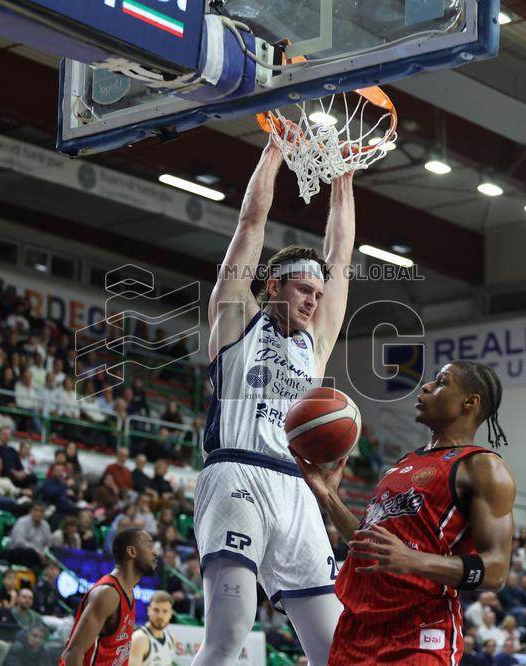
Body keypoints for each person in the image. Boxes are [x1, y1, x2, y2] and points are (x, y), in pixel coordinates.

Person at [191, 141, 355, 666]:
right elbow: (251, 223)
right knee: (229, 633)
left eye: (317, 293)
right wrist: (275, 150)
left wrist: (344, 182)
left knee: (335, 647)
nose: (313, 300)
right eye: (303, 290)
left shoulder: (314, 344)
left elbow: (342, 259)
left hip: (296, 488)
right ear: (271, 286)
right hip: (236, 476)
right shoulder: (237, 318)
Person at [297, 361, 517, 665]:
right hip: (357, 629)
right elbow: (369, 545)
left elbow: (495, 571)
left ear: (471, 401)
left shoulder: (482, 467)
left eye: (441, 382)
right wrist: (328, 496)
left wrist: (412, 560)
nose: (426, 387)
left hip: (420, 630)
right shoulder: (403, 463)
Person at [60, 528, 157, 666]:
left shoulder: (128, 592)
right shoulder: (108, 593)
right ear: (132, 551)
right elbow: (73, 652)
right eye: (149, 545)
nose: (155, 552)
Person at [131, 590, 176, 666]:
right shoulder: (139, 639)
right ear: (148, 610)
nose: (160, 616)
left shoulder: (171, 638)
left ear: (170, 613)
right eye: (156, 610)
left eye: (165, 611)